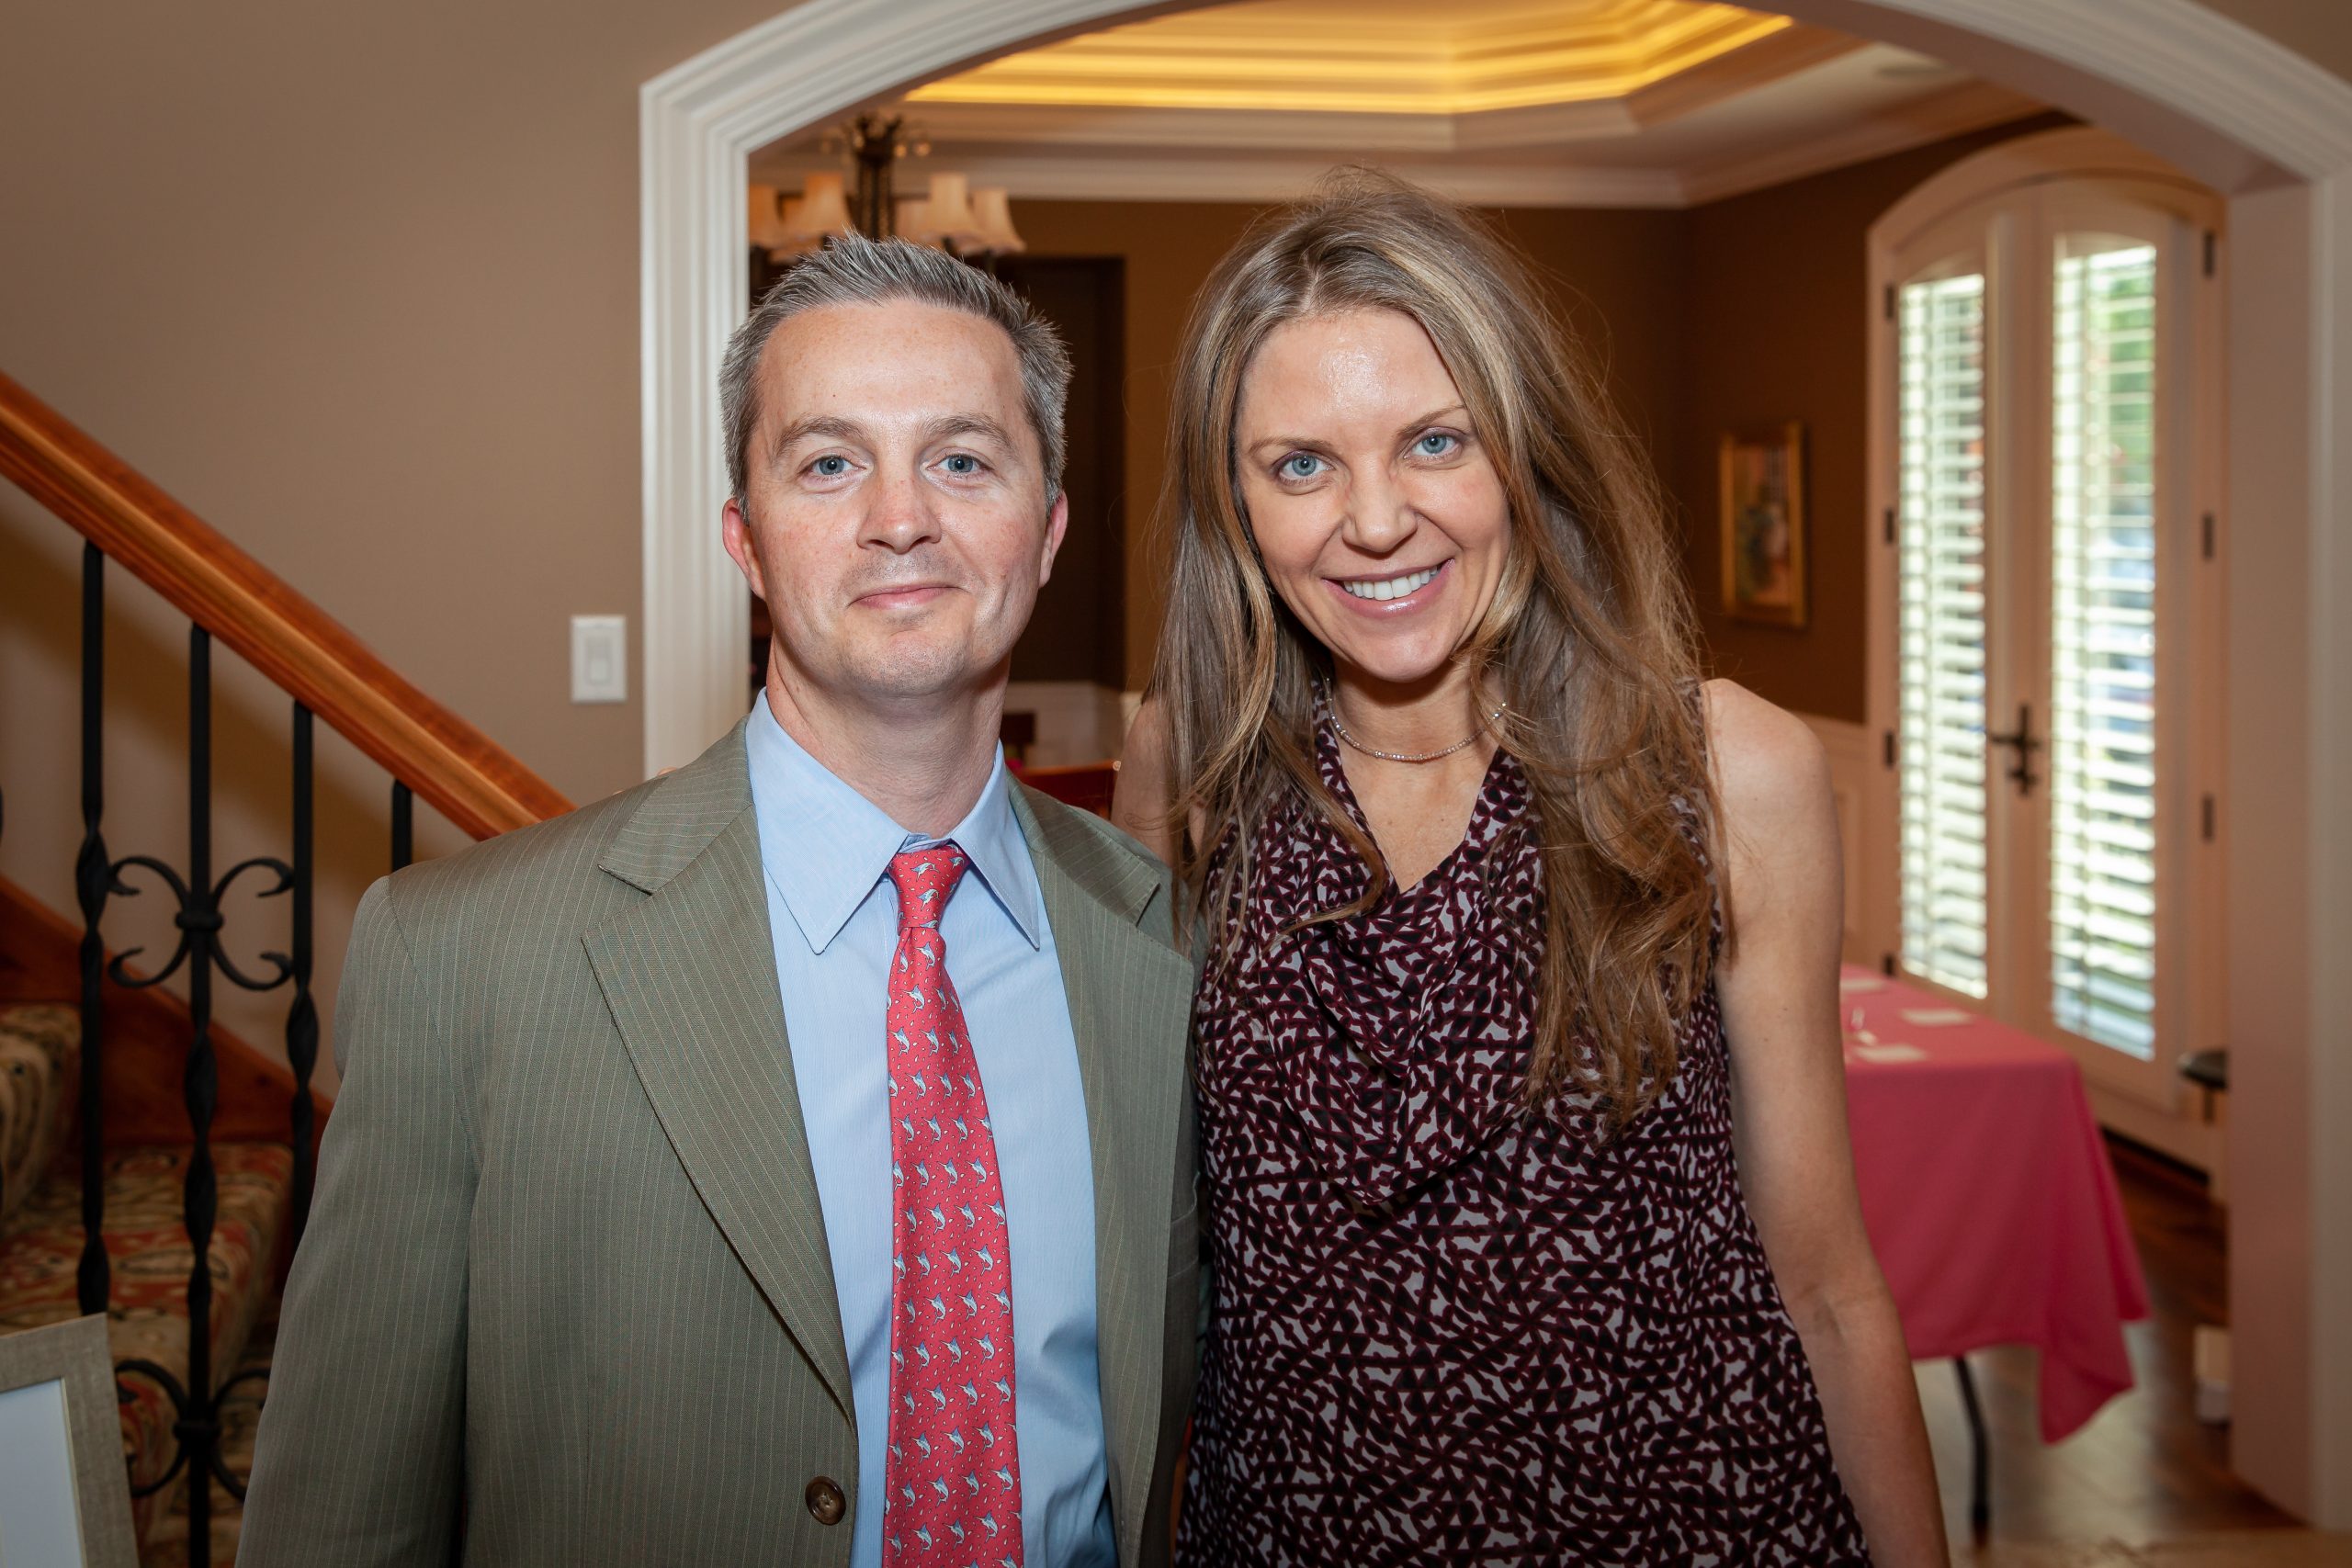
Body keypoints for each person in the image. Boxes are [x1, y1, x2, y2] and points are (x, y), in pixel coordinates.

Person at [242, 235, 1199, 1568]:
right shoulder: (464, 962)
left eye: (963, 460)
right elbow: (339, 1524)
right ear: (745, 540)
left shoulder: (1168, 944)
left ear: (1045, 533)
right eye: (829, 463)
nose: (901, 517)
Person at [1116, 173, 1947, 1565]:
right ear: (1234, 501)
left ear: (1522, 451)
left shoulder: (1724, 771)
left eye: (1436, 442)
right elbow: (1150, 1249)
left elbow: (1827, 1285)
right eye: (1301, 465)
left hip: (1685, 1525)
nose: (1375, 520)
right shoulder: (1187, 765)